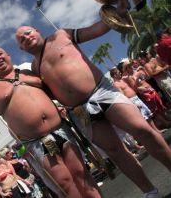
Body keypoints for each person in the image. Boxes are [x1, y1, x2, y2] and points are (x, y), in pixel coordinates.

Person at [15, 24, 171, 198]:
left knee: (143, 131)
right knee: (115, 151)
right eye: (22, 39)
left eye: (28, 33)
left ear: (37, 30)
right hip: (80, 111)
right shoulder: (35, 68)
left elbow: (98, 29)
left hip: (101, 91)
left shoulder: (61, 35)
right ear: (21, 48)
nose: (26, 37)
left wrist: (114, 14)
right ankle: (150, 192)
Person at [0, 46, 102, 198]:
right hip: (37, 142)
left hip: (61, 129)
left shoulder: (28, 73)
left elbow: (57, 89)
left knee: (81, 172)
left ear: (8, 55)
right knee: (64, 183)